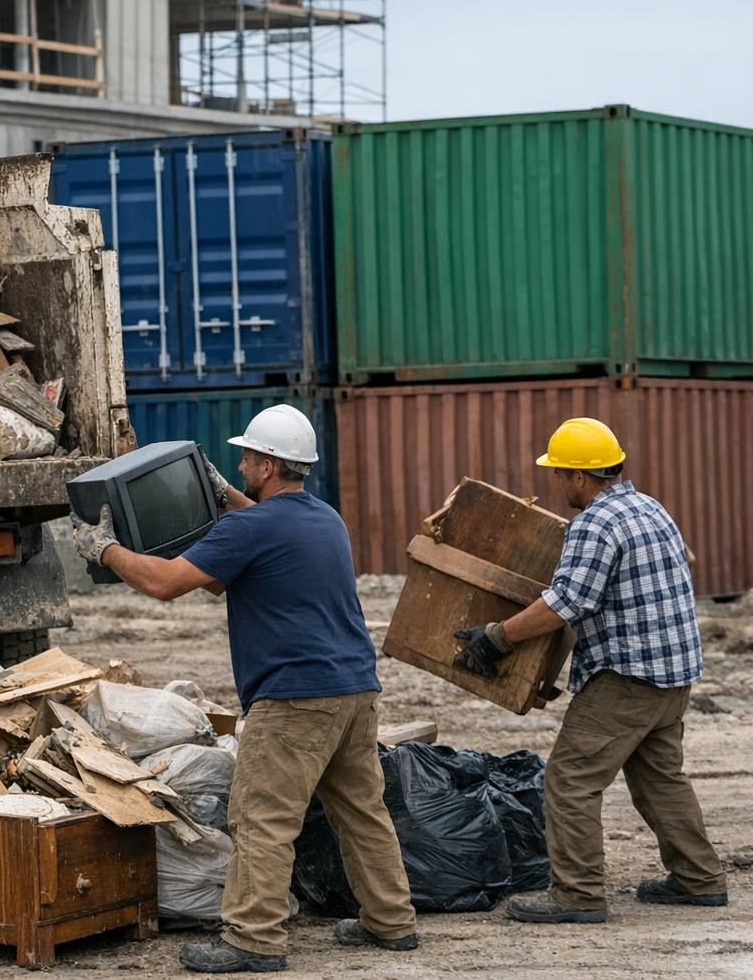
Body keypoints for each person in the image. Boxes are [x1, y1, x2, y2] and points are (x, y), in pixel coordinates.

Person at [71, 405, 417, 973]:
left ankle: (253, 939)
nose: (239, 462)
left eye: (247, 457)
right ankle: (391, 921)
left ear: (269, 465)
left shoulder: (247, 529)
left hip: (295, 699)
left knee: (260, 817)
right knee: (361, 811)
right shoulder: (324, 518)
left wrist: (102, 547)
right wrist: (228, 490)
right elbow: (265, 532)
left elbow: (163, 583)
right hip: (355, 689)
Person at [452, 417, 727, 924]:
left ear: (580, 476)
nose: (556, 484)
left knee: (570, 779)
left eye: (559, 474)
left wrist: (498, 637)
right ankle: (699, 879)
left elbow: (566, 602)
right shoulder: (651, 507)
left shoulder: (595, 522)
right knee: (660, 779)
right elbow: (664, 570)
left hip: (629, 676)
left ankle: (577, 894)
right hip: (675, 673)